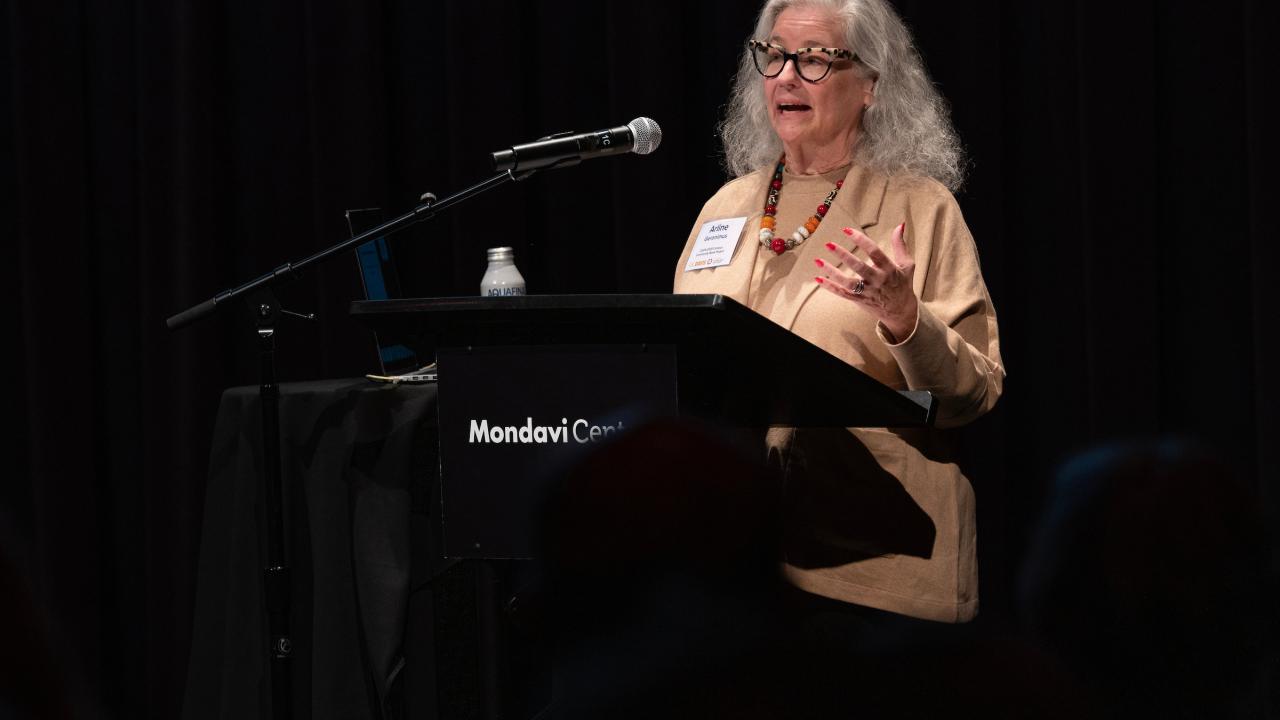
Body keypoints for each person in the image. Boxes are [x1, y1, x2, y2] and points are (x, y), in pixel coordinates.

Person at [674, 0, 1004, 623]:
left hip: (872, 576)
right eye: (773, 55)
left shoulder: (919, 207)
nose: (787, 76)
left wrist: (906, 317)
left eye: (817, 59)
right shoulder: (726, 208)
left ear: (871, 85)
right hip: (736, 574)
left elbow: (975, 394)